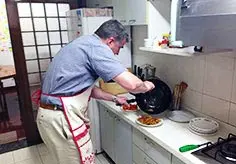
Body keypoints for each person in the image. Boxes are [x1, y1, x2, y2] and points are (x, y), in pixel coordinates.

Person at [36, 19, 155, 164]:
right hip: (62, 119)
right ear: (111, 41)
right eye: (120, 47)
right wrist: (147, 85)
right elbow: (132, 85)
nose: (117, 53)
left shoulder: (84, 42)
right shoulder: (97, 48)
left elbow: (85, 89)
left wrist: (114, 98)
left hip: (50, 117)